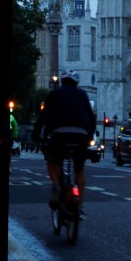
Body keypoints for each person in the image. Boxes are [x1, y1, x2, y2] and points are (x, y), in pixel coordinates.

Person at [34, 70, 95, 213]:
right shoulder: (83, 95)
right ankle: (79, 204)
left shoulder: (54, 94)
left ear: (62, 82)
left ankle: (56, 185)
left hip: (59, 134)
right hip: (80, 135)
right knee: (79, 169)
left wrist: (37, 136)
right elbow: (91, 119)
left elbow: (43, 117)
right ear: (76, 83)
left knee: (52, 160)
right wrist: (89, 137)